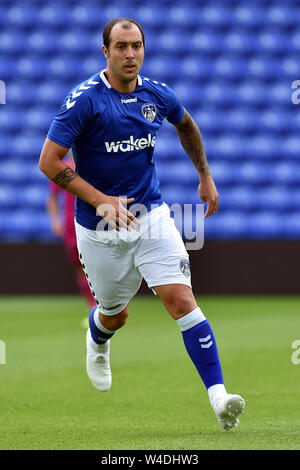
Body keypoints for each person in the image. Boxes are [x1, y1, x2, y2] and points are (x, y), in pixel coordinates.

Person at [39, 17, 245, 431]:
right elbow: (48, 162)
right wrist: (101, 200)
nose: (130, 54)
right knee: (116, 315)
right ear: (106, 52)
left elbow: (185, 124)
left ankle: (220, 397)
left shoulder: (156, 93)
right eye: (121, 47)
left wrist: (204, 175)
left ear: (143, 49)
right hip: (99, 229)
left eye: (136, 46)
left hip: (152, 215)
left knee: (181, 300)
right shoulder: (84, 100)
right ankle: (98, 340)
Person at [47, 152, 96, 313]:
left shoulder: (89, 167)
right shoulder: (63, 169)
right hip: (70, 225)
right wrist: (55, 220)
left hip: (91, 222)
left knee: (96, 263)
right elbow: (52, 197)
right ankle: (92, 305)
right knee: (79, 266)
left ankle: (103, 304)